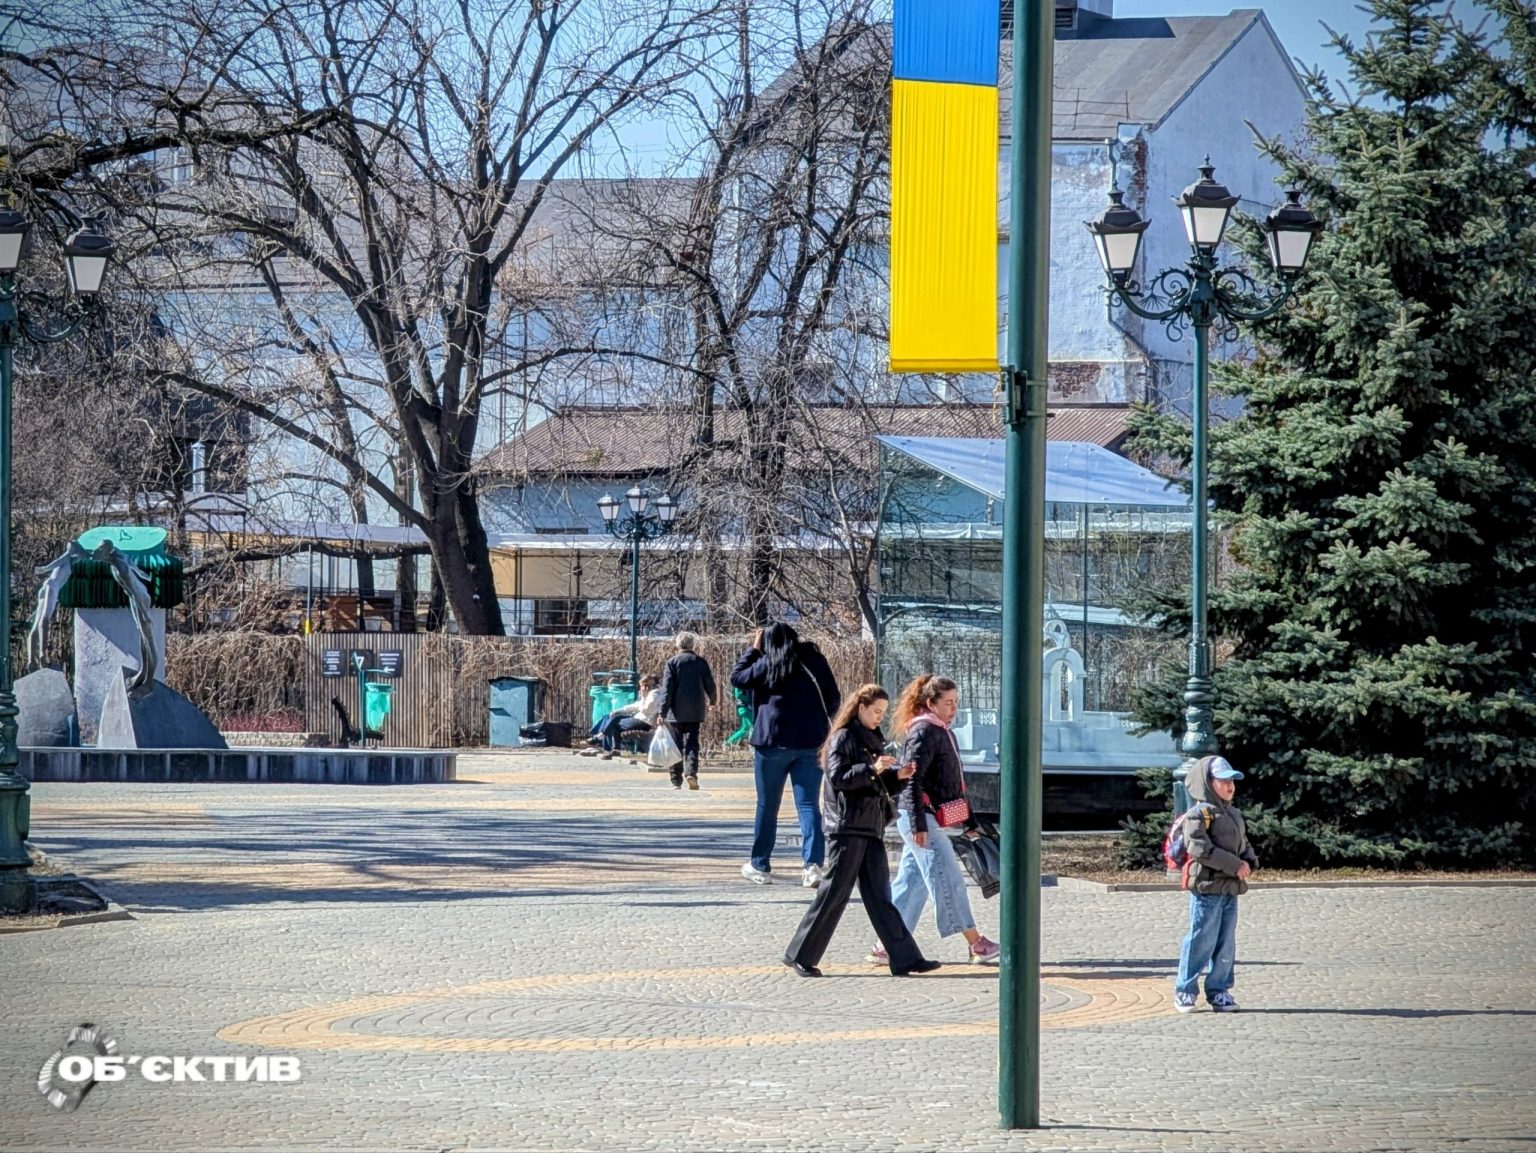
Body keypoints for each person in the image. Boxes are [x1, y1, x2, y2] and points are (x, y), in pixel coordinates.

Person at [782, 684, 941, 978]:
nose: (880, 717)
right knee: (834, 894)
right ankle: (800, 954)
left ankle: (905, 958)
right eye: (876, 711)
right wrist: (873, 768)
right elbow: (839, 778)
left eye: (883, 712)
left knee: (881, 897)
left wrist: (898, 778)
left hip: (869, 827)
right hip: (846, 828)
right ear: (861, 708)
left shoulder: (871, 740)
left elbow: (874, 787)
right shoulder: (843, 737)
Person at [867, 674, 1000, 965]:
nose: (954, 709)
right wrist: (918, 825)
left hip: (924, 816)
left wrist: (969, 820)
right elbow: (912, 781)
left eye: (956, 702)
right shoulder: (925, 731)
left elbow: (951, 782)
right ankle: (975, 943)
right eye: (948, 703)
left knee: (911, 883)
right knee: (947, 877)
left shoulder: (939, 729)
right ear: (931, 703)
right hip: (920, 817)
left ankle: (886, 945)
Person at [731, 622, 841, 887]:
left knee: (767, 806)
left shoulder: (768, 663)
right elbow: (834, 698)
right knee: (808, 804)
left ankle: (760, 864)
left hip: (772, 743)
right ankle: (812, 865)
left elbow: (737, 677)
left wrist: (753, 650)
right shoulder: (814, 660)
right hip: (811, 741)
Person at [1174, 754, 1259, 1013]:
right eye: (1223, 781)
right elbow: (1200, 849)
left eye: (1232, 781)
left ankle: (1219, 991)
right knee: (1201, 939)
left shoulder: (1232, 813)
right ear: (1208, 783)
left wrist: (1250, 860)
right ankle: (1185, 991)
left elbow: (1242, 843)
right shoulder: (1198, 814)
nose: (1230, 786)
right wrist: (1236, 865)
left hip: (1230, 888)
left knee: (1225, 942)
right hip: (1207, 889)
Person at [658, 632, 717, 789]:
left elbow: (667, 690)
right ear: (692, 645)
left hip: (675, 713)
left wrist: (662, 712)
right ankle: (691, 772)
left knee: (675, 746)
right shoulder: (700, 662)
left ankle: (676, 780)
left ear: (678, 645)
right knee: (692, 743)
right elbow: (710, 685)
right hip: (695, 711)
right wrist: (712, 701)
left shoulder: (672, 662)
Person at [582, 675, 660, 759]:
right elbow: (635, 706)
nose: (640, 689)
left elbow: (646, 710)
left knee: (615, 722)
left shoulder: (654, 695)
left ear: (646, 687)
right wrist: (619, 710)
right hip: (639, 720)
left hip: (643, 722)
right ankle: (612, 747)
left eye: (641, 686)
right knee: (615, 718)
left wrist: (644, 698)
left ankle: (601, 738)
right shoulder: (649, 695)